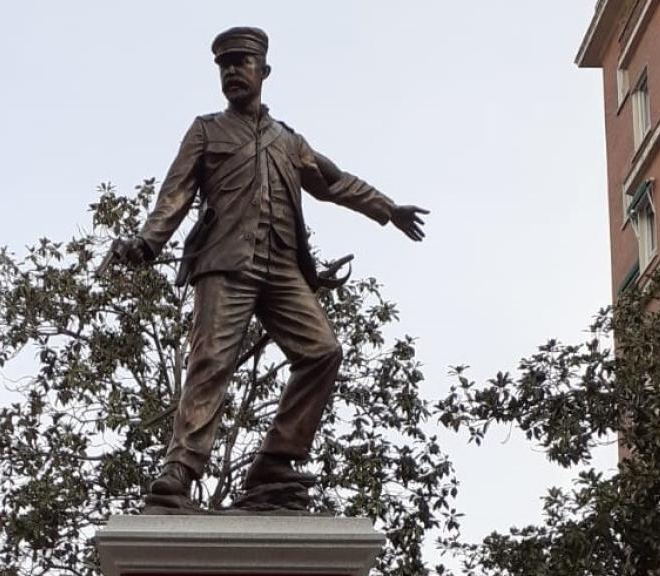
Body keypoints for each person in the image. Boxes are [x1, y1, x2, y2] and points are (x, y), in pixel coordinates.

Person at [112, 26, 428, 503]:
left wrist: (387, 208)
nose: (232, 71)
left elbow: (336, 182)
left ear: (264, 71)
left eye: (242, 62)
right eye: (225, 65)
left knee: (323, 352)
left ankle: (274, 462)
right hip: (226, 263)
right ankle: (181, 467)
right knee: (210, 362)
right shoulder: (206, 130)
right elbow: (174, 196)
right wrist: (146, 242)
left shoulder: (289, 141)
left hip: (282, 267)